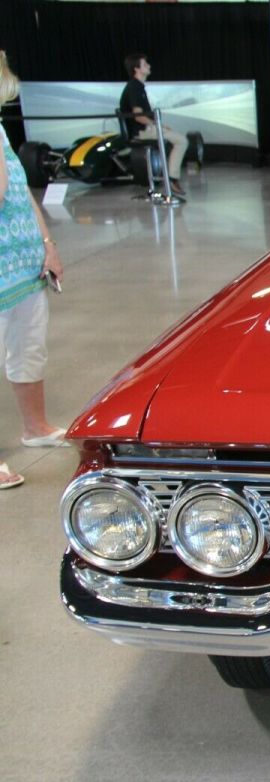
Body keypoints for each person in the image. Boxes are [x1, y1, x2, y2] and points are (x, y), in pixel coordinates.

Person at [0, 51, 67, 489]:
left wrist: (48, 245)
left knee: (29, 345)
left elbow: (21, 193)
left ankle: (36, 426)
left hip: (23, 264)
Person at [119, 53, 187, 196]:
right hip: (141, 131)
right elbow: (139, 117)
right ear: (137, 69)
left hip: (145, 129)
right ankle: (172, 179)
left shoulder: (138, 87)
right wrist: (157, 126)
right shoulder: (134, 87)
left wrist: (160, 126)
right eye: (145, 64)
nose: (149, 66)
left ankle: (170, 178)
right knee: (182, 141)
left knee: (175, 138)